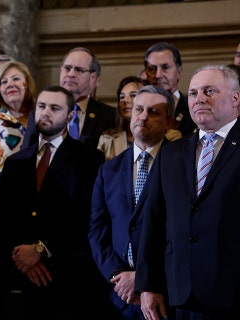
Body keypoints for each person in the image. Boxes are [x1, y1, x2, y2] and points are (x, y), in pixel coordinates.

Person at [0, 85, 114, 319]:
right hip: (20, 276)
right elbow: (3, 220)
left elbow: (84, 216)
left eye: (55, 108)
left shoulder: (88, 158)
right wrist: (23, 259)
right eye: (41, 106)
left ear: (70, 116)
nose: (46, 112)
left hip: (64, 274)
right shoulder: (16, 162)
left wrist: (40, 249)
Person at [136, 65, 240, 320]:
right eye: (193, 93)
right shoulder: (171, 153)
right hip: (180, 293)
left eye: (210, 91)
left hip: (233, 293)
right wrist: (148, 284)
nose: (199, 98)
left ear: (236, 98)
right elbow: (153, 222)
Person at [89, 85, 175, 320]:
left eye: (153, 112)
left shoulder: (182, 165)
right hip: (119, 296)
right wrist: (119, 275)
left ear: (168, 123)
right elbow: (97, 231)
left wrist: (145, 277)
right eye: (139, 109)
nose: (143, 116)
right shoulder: (108, 170)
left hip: (165, 294)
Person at [54, 47, 117, 150]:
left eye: (79, 70)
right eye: (67, 68)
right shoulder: (41, 112)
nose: (70, 74)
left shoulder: (110, 116)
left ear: (93, 77)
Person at [143, 41, 196, 138]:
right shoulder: (137, 111)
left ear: (179, 72)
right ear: (146, 74)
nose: (158, 75)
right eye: (152, 69)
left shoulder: (193, 110)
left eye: (165, 67)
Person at [96, 76, 148, 161]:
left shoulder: (161, 137)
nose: (125, 100)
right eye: (122, 97)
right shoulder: (107, 139)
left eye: (133, 95)